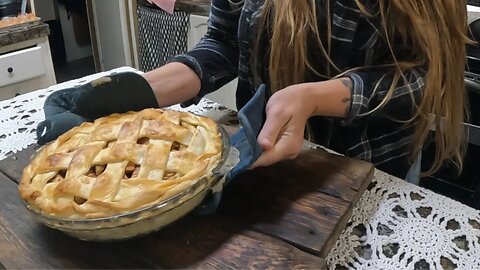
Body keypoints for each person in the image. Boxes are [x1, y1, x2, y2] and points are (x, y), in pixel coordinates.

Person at [146, 0, 469, 181]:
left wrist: (316, 99)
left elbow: (426, 79)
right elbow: (225, 39)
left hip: (366, 172)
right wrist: (150, 86)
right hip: (265, 164)